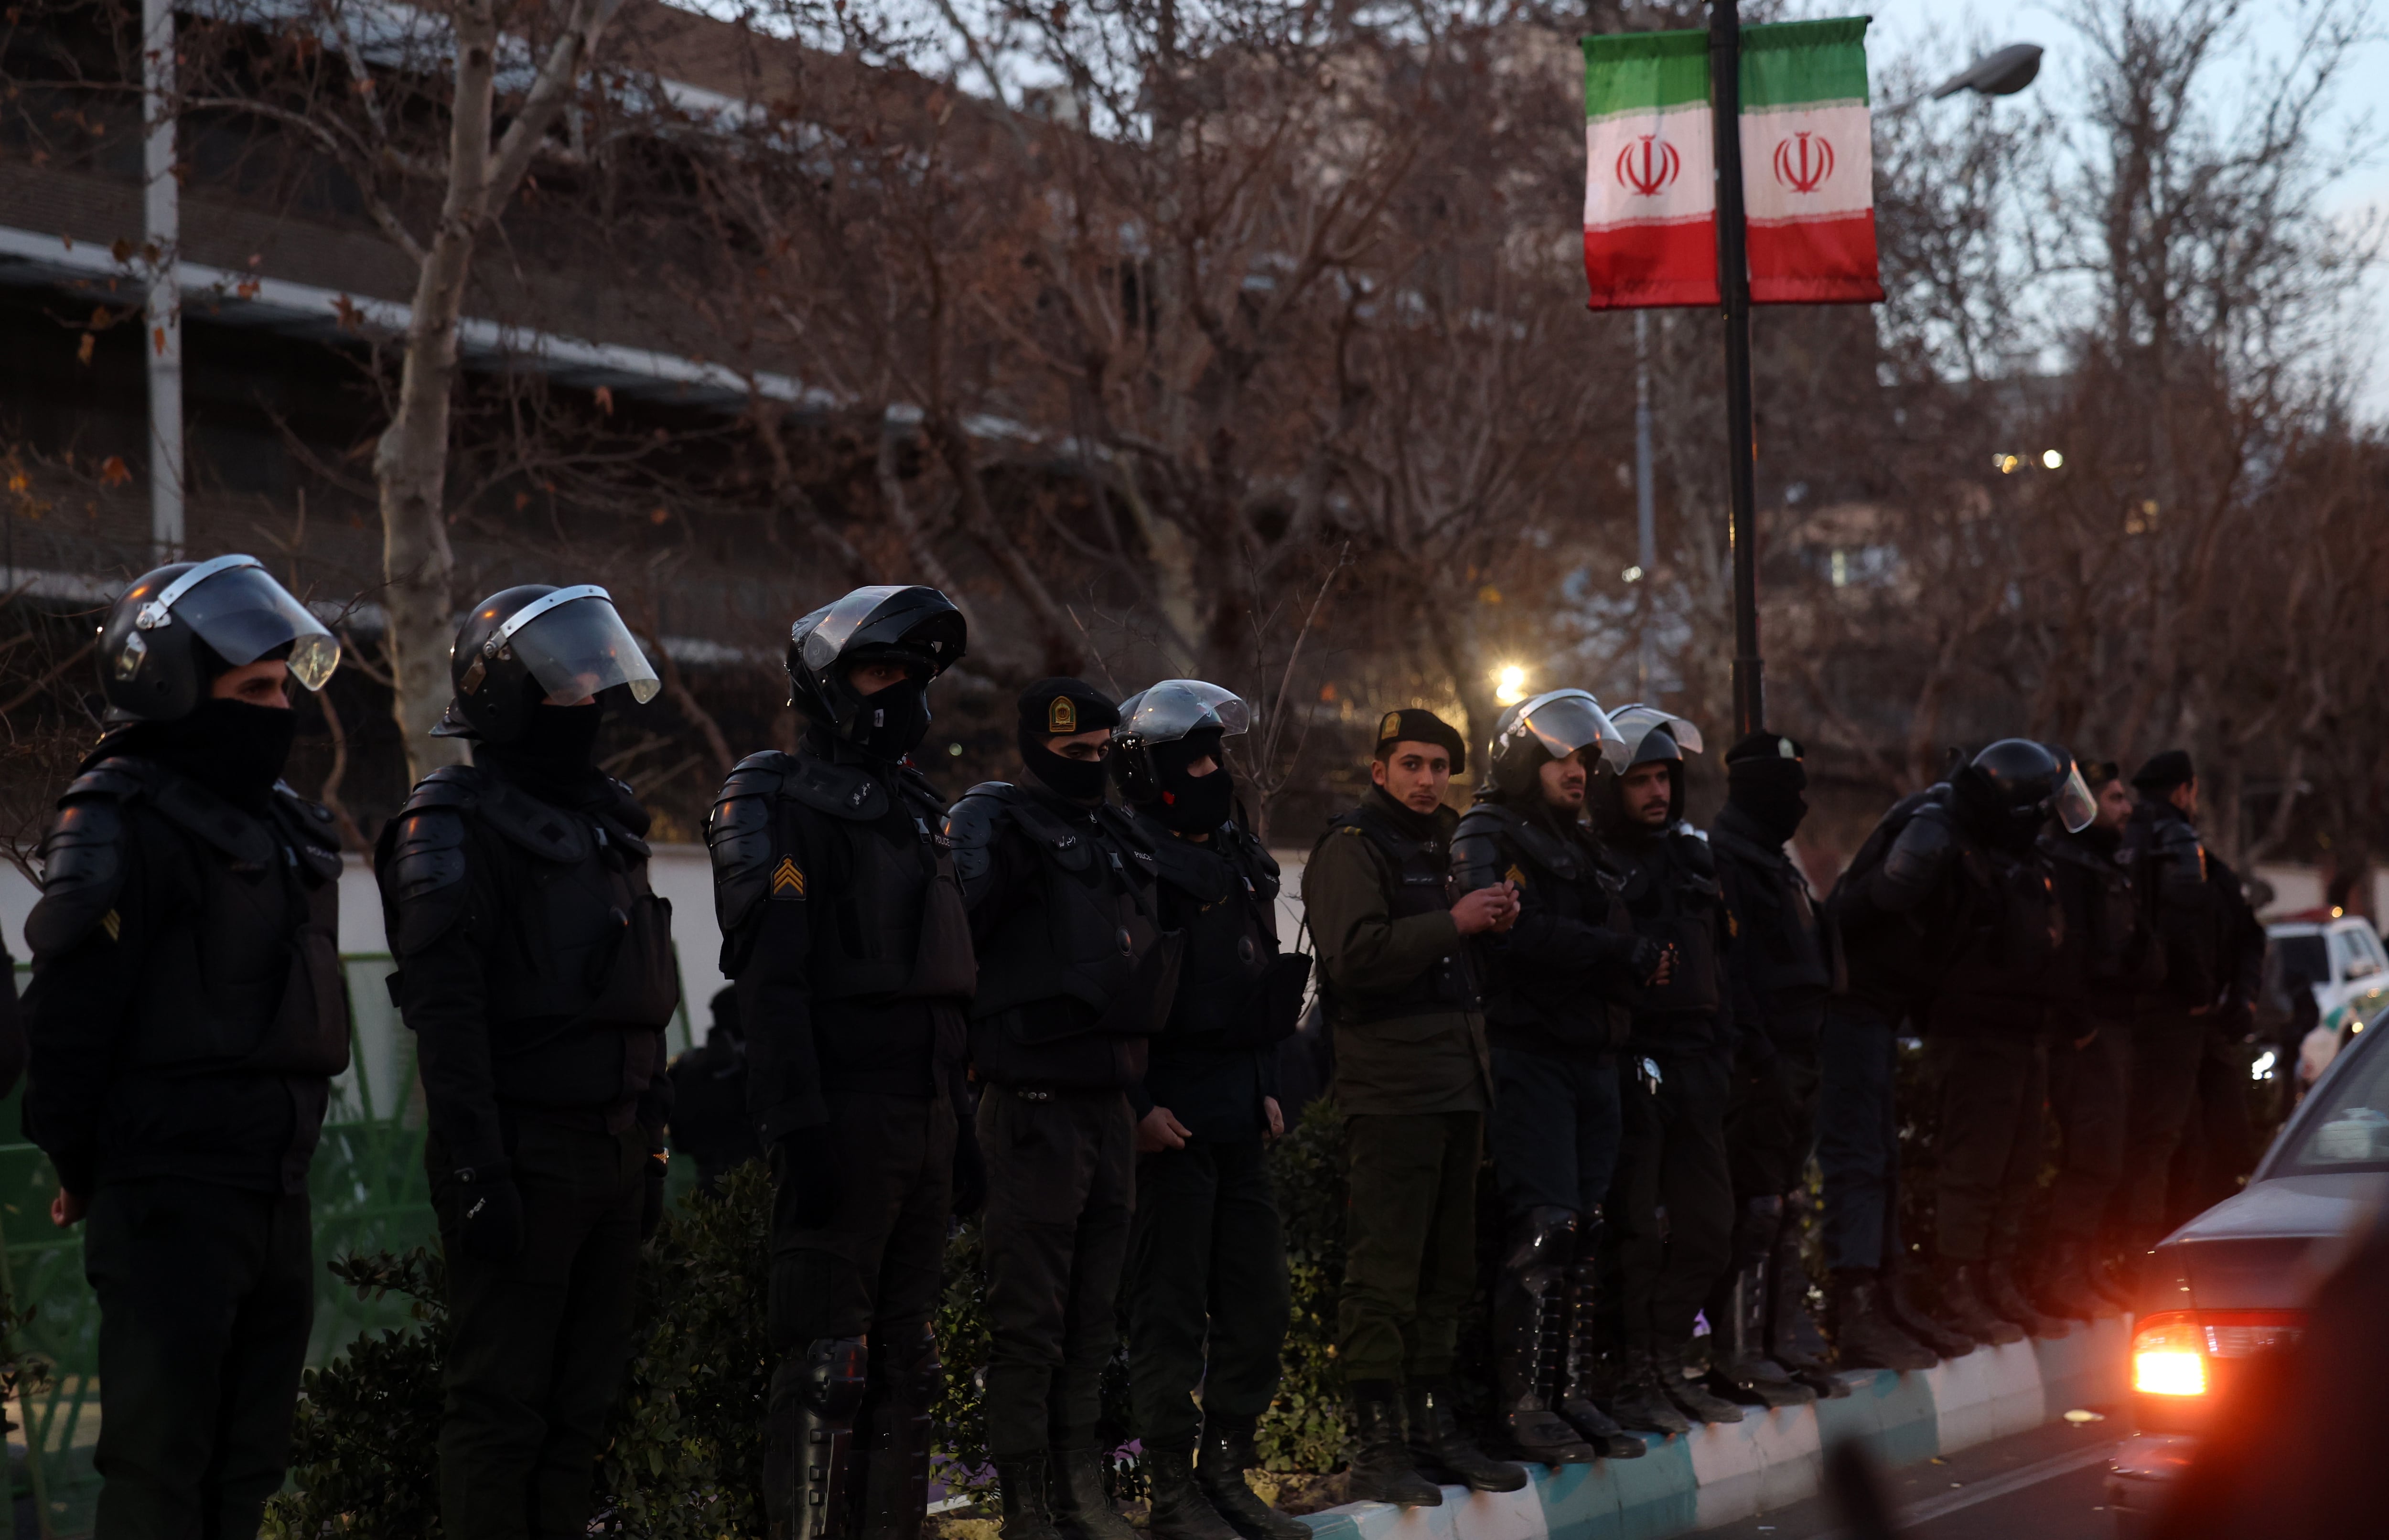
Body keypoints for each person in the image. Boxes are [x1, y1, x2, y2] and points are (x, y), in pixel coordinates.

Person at [22, 555, 348, 1537]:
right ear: (170, 685)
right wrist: (80, 1161)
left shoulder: (283, 827)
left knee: (246, 1470)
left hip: (276, 1193)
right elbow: (71, 1025)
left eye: (283, 684)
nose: (278, 705)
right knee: (160, 1475)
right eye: (254, 687)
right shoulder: (118, 816)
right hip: (168, 1199)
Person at [378, 582, 679, 1539]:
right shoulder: (452, 824)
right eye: (569, 681)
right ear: (507, 693)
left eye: (599, 676)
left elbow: (643, 999)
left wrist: (655, 1143)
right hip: (523, 1153)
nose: (591, 698)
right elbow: (449, 1020)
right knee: (501, 1406)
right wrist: (480, 1169)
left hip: (615, 1148)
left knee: (581, 1406)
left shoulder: (607, 821)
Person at [707, 584, 978, 1540]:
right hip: (843, 1117)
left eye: (912, 675)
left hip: (929, 1116)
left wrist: (961, 1113)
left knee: (912, 1364)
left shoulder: (917, 808)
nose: (899, 692)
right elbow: (770, 983)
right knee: (829, 1366)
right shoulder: (776, 797)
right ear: (823, 684)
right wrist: (797, 1122)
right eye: (878, 671)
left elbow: (952, 983)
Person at [945, 680, 1178, 1540]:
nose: (1088, 770)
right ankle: (1027, 1505)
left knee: (1091, 1320)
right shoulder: (996, 824)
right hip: (1031, 1106)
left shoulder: (1115, 835)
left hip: (1108, 1105)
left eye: (1098, 753)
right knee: (1030, 1323)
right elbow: (953, 944)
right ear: (1037, 747)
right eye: (1073, 753)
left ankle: (1080, 1486)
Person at [1304, 709, 1525, 1503]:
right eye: (1413, 763)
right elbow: (1355, 956)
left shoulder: (1444, 844)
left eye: (1440, 766)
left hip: (1459, 1084)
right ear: (1380, 770)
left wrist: (1492, 920)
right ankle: (1378, 1444)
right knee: (1386, 1274)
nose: (1429, 778)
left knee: (1447, 1271)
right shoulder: (1353, 848)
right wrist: (1454, 920)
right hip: (1394, 1090)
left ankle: (1432, 1431)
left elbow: (1457, 959)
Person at [1109, 681, 1312, 1540]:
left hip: (1237, 1113)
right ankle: (1169, 1488)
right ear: (1150, 769)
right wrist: (1139, 1108)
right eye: (1192, 757)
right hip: (1173, 1126)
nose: (1211, 770)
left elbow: (1257, 974)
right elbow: (1111, 1002)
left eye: (1214, 753)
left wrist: (1271, 1078)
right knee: (1166, 1311)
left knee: (1259, 1303)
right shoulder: (1128, 857)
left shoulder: (1235, 854)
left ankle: (1222, 1470)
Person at [1451, 689, 1661, 1463]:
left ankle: (1569, 1391)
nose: (1580, 771)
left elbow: (1607, 932)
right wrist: (1614, 954)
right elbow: (1512, 935)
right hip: (1528, 1051)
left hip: (1592, 1056)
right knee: (1546, 1227)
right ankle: (1525, 1401)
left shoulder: (1585, 843)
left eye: (1586, 760)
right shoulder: (1488, 830)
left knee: (1588, 1229)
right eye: (1565, 758)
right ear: (1527, 759)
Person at [1590, 706, 1744, 1429]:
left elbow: (1722, 965)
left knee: (1712, 1229)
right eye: (1640, 780)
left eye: (1664, 778)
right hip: (1634, 1065)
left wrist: (1726, 1052)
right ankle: (1633, 1373)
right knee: (1636, 1237)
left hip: (1697, 1067)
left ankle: (1662, 1354)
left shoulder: (1693, 858)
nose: (1655, 792)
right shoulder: (1598, 863)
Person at [1703, 733, 1845, 1403]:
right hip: (1763, 1066)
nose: (1800, 803)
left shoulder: (1771, 859)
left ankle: (1779, 1338)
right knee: (1755, 1204)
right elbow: (1733, 971)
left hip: (1798, 1055)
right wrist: (1758, 1052)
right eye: (1788, 789)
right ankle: (1738, 1348)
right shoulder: (1727, 859)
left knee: (1785, 1201)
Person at [2109, 752, 2250, 1269]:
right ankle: (2153, 1253)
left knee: (2183, 1137)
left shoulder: (2129, 846)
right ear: (2183, 791)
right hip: (2175, 1013)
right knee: (2163, 1137)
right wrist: (2200, 990)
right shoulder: (2176, 847)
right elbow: (2184, 927)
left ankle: (2174, 1247)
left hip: (2171, 1013)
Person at [2036, 760, 2152, 1317]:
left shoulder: (2105, 865)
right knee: (2091, 1153)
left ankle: (2084, 1265)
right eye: (2112, 798)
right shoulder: (2068, 865)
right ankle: (2065, 1268)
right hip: (2090, 1032)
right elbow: (2067, 954)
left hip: (2112, 1025)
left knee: (2106, 1154)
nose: (2124, 808)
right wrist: (2081, 1026)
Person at [667, 988, 763, 1195]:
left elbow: (680, 1140)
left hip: (712, 1180)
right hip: (755, 1178)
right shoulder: (749, 1062)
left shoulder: (686, 1066)